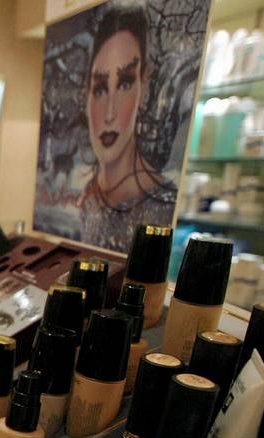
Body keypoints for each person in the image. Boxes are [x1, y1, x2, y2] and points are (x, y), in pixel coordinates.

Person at [79, 4, 177, 252]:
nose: (109, 113)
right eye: (100, 89)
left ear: (143, 86)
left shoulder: (163, 207)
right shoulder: (89, 199)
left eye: (125, 83)